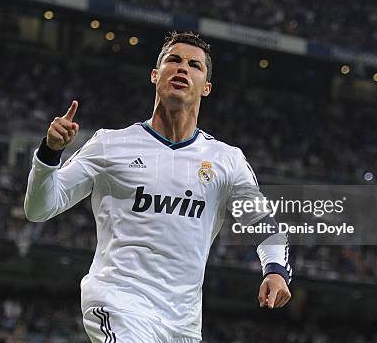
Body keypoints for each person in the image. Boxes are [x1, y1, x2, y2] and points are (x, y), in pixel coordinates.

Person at [24, 31, 292, 343]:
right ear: (155, 75)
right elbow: (39, 208)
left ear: (206, 87)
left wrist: (275, 270)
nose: (182, 68)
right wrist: (50, 153)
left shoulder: (226, 161)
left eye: (194, 65)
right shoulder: (110, 145)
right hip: (118, 302)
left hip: (182, 324)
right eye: (173, 60)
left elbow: (262, 222)